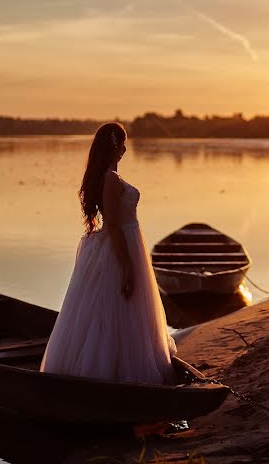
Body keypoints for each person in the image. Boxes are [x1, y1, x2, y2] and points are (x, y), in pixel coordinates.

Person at [40, 122, 176, 383]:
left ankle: (120, 367)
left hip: (127, 243)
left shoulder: (110, 176)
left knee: (124, 310)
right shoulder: (110, 179)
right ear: (116, 146)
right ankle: (114, 373)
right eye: (123, 143)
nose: (126, 148)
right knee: (116, 307)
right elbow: (112, 225)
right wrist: (126, 266)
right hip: (120, 248)